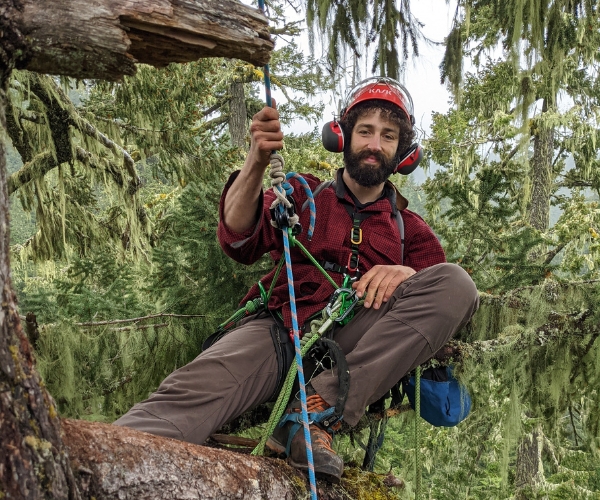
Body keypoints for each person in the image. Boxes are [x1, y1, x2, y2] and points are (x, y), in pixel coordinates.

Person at [114, 77, 479, 483]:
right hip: (279, 329)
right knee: (188, 394)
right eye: (365, 131)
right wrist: (256, 159)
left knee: (458, 284)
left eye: (388, 135)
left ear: (403, 152)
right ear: (341, 135)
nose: (375, 144)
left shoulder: (412, 232)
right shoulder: (303, 193)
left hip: (358, 340)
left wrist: (408, 274)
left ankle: (313, 413)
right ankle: (95, 466)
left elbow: (441, 310)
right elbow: (237, 237)